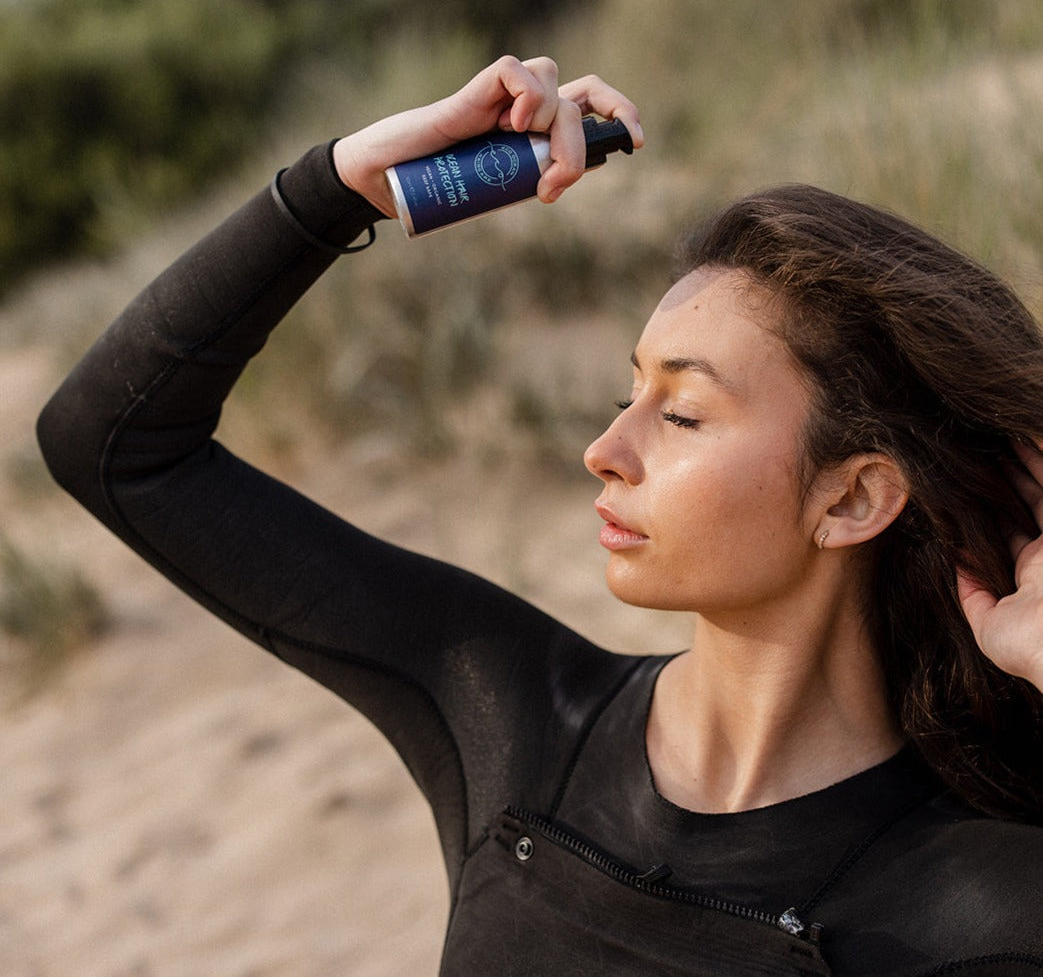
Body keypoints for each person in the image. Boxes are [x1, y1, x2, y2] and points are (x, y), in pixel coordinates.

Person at [37, 56, 1043, 975]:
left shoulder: (981, 902)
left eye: (682, 411)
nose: (604, 450)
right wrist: (336, 189)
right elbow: (115, 444)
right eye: (626, 395)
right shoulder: (508, 711)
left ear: (853, 495)